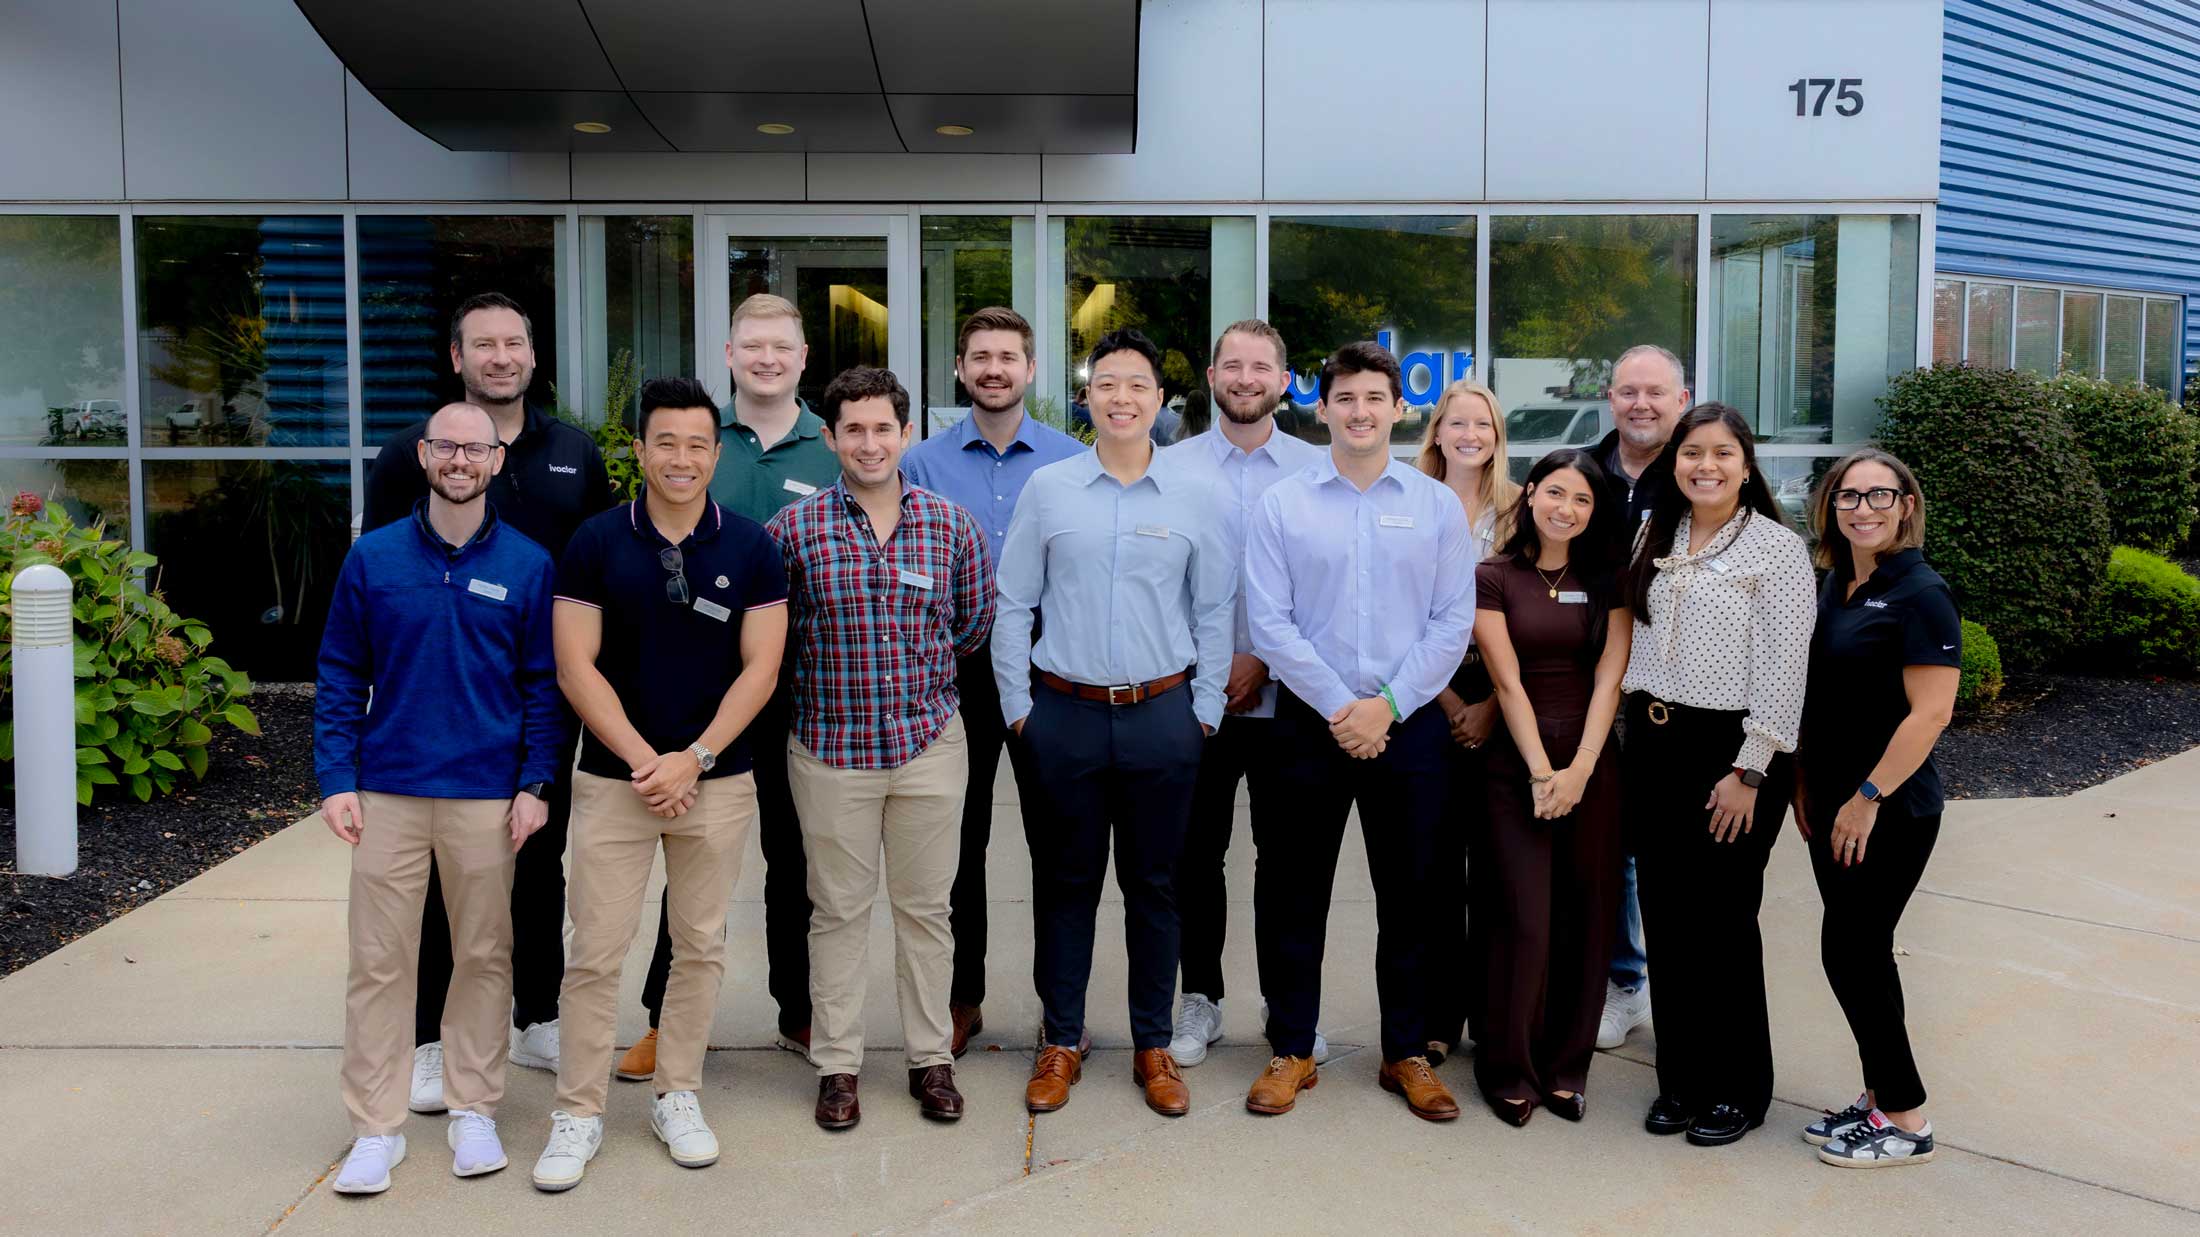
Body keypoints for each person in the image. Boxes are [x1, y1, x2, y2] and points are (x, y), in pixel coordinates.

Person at [531, 377, 787, 1192]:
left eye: (697, 443)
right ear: (639, 451)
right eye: (665, 442)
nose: (682, 457)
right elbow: (576, 666)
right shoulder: (596, 542)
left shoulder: (752, 546)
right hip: (616, 781)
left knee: (701, 945)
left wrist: (697, 757)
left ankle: (678, 1092)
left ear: (717, 452)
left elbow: (763, 667)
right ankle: (578, 1109)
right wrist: (649, 760)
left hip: (716, 779)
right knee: (596, 951)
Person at [361, 293, 614, 1109]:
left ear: (533, 357)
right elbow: (380, 573)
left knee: (540, 857)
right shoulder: (411, 452)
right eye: (483, 345)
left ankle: (536, 1008)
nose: (501, 356)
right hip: (439, 704)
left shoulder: (575, 451)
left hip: (544, 695)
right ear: (456, 357)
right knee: (444, 876)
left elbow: (600, 571)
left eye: (514, 344)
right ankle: (436, 1035)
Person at [316, 402, 565, 1194]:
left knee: (486, 956)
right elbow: (338, 675)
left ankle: (474, 1109)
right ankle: (375, 1127)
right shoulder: (374, 558)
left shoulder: (529, 564)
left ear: (497, 461)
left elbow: (544, 688)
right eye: (446, 446)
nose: (461, 460)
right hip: (388, 787)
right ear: (424, 456)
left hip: (487, 796)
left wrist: (536, 782)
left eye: (476, 449)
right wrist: (335, 777)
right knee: (379, 962)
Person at [993, 327, 1234, 1119]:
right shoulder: (1051, 489)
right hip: (1062, 713)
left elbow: (1213, 608)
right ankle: (1061, 1038)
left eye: (1137, 384)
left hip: (1163, 716)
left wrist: (1201, 710)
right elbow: (1014, 601)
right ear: (1086, 398)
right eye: (1106, 384)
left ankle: (1153, 1044)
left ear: (1160, 401)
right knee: (1065, 885)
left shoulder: (1197, 496)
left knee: (1157, 886)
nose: (1121, 397)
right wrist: (1018, 707)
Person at [1242, 341, 1476, 1122]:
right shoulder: (1284, 502)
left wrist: (1387, 704)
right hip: (1308, 726)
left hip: (1405, 728)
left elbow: (1452, 622)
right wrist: (1343, 706)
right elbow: (1269, 622)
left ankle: (1406, 1050)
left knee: (1412, 894)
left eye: (1374, 398)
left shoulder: (1437, 505)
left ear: (1399, 408)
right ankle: (1292, 1048)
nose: (1360, 411)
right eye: (1345, 398)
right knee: (1290, 891)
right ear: (1322, 406)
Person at [770, 366, 995, 1130]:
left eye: (883, 428)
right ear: (829, 437)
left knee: (927, 909)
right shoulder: (792, 532)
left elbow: (969, 629)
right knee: (835, 911)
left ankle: (931, 1058)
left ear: (907, 434)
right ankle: (838, 1066)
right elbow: (779, 640)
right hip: (831, 749)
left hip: (929, 743)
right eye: (853, 429)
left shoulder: (951, 525)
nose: (869, 443)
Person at [618, 293, 834, 1083]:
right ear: (730, 351)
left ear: (803, 356)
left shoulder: (832, 445)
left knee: (796, 859)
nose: (768, 358)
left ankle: (799, 1010)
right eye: (754, 345)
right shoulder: (698, 437)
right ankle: (667, 1020)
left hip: (804, 693)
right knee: (691, 863)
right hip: (691, 698)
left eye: (782, 345)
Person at [1621, 402, 1815, 1148]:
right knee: (1667, 920)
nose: (1706, 465)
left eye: (1722, 453)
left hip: (1730, 752)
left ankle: (1738, 1088)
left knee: (1723, 923)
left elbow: (1784, 668)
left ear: (1746, 464)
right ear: (1675, 460)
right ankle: (1681, 1081)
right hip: (1655, 743)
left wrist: (1751, 768)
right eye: (1692, 451)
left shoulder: (1776, 548)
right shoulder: (1654, 533)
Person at [902, 307, 1082, 1058]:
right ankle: (961, 998)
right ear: (960, 369)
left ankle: (1058, 1010)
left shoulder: (1075, 459)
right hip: (958, 673)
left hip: (1053, 670)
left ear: (1031, 369)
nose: (994, 368)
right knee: (959, 844)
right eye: (980, 356)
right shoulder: (921, 463)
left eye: (1008, 355)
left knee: (1059, 846)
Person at [1160, 320, 1326, 1069]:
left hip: (1289, 701)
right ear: (1212, 374)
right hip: (1197, 698)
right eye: (1234, 364)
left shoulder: (1318, 469)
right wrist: (1211, 665)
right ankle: (1202, 997)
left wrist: (1258, 656)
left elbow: (1323, 591)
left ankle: (1286, 1004)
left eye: (1262, 366)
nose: (1247, 377)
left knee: (1287, 861)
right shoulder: (1172, 466)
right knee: (1196, 856)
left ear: (1284, 381)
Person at [1794, 449, 1958, 1168]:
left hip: (1889, 807)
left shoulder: (1922, 593)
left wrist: (1866, 796)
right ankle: (1880, 1095)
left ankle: (1908, 1117)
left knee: (1855, 950)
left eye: (1878, 494)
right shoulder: (1837, 582)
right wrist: (1807, 785)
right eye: (1848, 496)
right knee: (1851, 951)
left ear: (1907, 504)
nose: (1863, 508)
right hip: (1831, 802)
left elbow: (1930, 713)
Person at [1471, 449, 1629, 1127]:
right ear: (1530, 493)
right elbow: (1504, 681)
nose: (1567, 507)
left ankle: (1567, 1066)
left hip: (1591, 764)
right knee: (1523, 918)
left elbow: (1609, 679)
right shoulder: (1494, 576)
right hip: (1516, 763)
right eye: (1556, 492)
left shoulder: (1609, 579)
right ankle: (1507, 1066)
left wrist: (1580, 770)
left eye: (1583, 499)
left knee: (1585, 917)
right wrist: (1542, 772)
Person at [1415, 377, 1520, 1059]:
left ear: (1497, 436)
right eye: (1458, 423)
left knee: (1500, 870)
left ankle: (1494, 1015)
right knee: (1432, 871)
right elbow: (1394, 610)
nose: (1470, 435)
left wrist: (1488, 704)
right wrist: (1450, 701)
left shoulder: (1520, 510)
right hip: (1428, 699)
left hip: (1504, 701)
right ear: (1437, 432)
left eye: (1482, 424)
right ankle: (1434, 1017)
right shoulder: (1408, 501)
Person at [1589, 343, 1690, 1053]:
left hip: (1673, 694)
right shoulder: (1583, 472)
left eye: (1656, 391)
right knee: (1611, 846)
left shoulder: (1698, 474)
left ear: (1682, 398)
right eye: (1628, 391)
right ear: (1610, 396)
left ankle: (1679, 987)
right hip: (1590, 683)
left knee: (1668, 849)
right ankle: (1624, 981)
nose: (1641, 403)